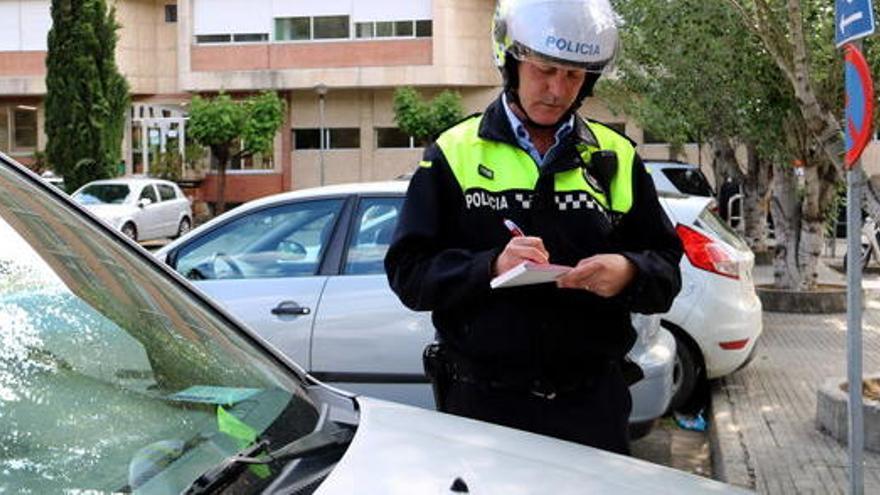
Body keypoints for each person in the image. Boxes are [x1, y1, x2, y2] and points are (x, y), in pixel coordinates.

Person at [384, 0, 682, 455]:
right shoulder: (453, 151)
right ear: (511, 60)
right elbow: (409, 273)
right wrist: (490, 267)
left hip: (591, 408)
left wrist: (628, 272)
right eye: (544, 69)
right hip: (484, 409)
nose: (557, 89)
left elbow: (666, 268)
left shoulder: (616, 156)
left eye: (573, 76)